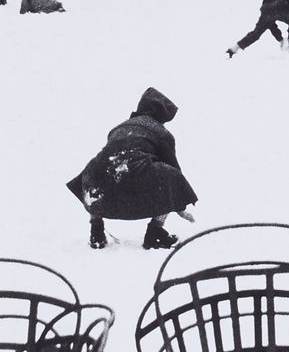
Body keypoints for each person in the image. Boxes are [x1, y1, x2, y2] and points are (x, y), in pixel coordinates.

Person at [67, 86, 199, 250]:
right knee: (170, 176)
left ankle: (96, 231)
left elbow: (111, 159)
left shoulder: (119, 127)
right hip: (132, 178)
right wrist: (180, 204)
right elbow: (174, 171)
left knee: (98, 170)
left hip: (97, 186)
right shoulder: (162, 133)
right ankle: (155, 233)